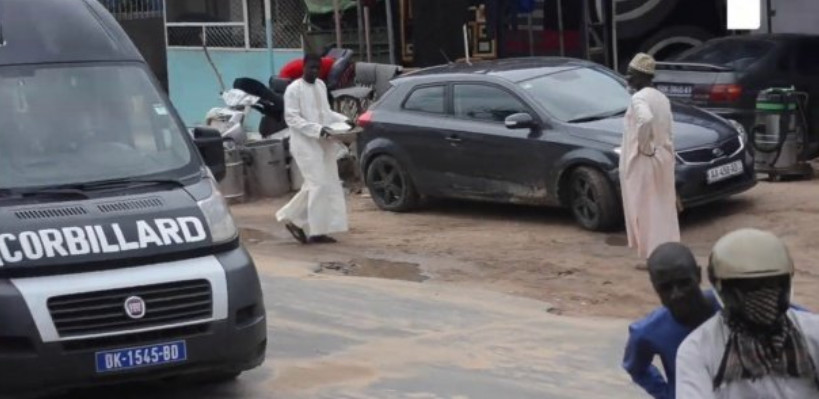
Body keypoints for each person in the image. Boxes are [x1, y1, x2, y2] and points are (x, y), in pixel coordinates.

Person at [676, 228, 819, 398]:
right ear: (722, 289)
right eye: (749, 288)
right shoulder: (699, 349)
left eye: (771, 284)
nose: (763, 298)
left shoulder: (812, 332)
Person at [622, 242, 720, 399]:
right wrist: (669, 395)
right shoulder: (648, 332)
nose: (677, 294)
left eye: (684, 283)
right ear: (655, 287)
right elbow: (636, 368)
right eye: (666, 288)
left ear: (698, 275)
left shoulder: (729, 307)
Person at [275, 53, 354, 244]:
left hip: (324, 142)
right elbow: (292, 118)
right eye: (311, 67)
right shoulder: (294, 89)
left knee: (327, 184)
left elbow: (326, 113)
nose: (314, 71)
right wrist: (317, 130)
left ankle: (308, 225)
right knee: (317, 184)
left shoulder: (320, 85)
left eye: (317, 68)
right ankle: (310, 229)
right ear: (303, 67)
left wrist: (345, 120)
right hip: (304, 144)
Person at [620, 52, 680, 262]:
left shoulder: (639, 98)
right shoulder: (661, 97)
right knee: (663, 206)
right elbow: (670, 130)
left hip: (645, 160)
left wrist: (645, 147)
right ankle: (669, 252)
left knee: (646, 208)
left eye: (631, 74)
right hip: (663, 157)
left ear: (642, 76)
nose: (628, 78)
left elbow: (645, 120)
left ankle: (653, 257)